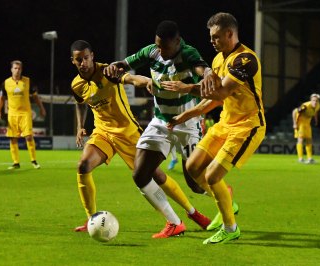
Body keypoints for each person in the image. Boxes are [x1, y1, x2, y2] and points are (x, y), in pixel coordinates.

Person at [69, 40, 210, 238]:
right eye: (78, 60)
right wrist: (80, 127)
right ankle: (91, 218)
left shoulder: (108, 72)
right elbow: (80, 103)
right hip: (102, 133)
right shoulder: (76, 84)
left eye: (86, 58)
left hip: (128, 133)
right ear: (73, 61)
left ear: (92, 56)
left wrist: (148, 83)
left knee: (157, 176)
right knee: (83, 166)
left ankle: (193, 212)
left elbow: (132, 79)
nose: (83, 62)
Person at [161, 12, 266, 244]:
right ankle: (229, 203)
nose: (212, 41)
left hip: (247, 126)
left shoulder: (245, 60)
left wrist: (186, 87)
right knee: (193, 166)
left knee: (212, 174)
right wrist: (186, 115)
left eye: (216, 37)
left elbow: (220, 92)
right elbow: (215, 100)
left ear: (230, 34)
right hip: (225, 122)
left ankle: (231, 229)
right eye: (211, 37)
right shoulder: (219, 60)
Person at [104, 20, 210, 199]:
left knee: (195, 184)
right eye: (158, 46)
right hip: (161, 122)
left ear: (177, 41)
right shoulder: (151, 51)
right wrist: (114, 66)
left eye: (165, 47)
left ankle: (225, 199)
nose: (161, 51)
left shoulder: (187, 53)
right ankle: (174, 222)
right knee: (140, 175)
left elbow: (201, 67)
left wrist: (208, 73)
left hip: (187, 124)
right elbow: (125, 64)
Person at [0, 60, 46, 170]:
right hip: (12, 114)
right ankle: (16, 162)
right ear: (11, 69)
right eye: (15, 68)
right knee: (12, 138)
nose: (17, 70)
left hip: (25, 113)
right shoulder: (6, 83)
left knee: (28, 136)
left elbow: (35, 97)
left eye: (19, 68)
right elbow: (1, 98)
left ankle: (34, 160)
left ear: (21, 70)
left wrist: (42, 108)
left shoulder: (27, 81)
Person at [292, 93, 320, 164]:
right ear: (311, 100)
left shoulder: (318, 106)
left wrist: (316, 120)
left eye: (316, 100)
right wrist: (295, 123)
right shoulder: (305, 106)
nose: (315, 102)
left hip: (307, 124)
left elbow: (315, 112)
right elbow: (294, 112)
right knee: (300, 140)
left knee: (309, 140)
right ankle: (300, 158)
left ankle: (310, 158)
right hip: (300, 123)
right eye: (313, 100)